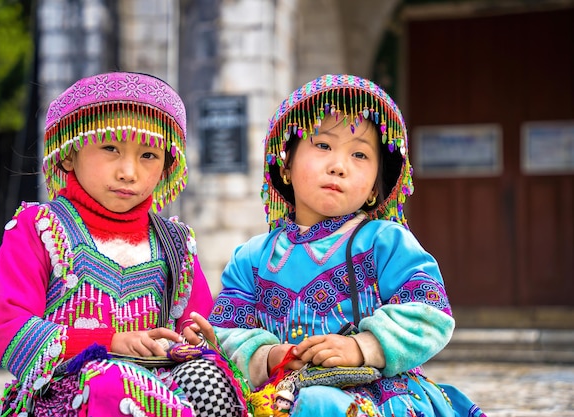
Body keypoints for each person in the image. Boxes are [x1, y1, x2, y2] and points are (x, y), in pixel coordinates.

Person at [208, 74, 486, 416]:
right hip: (278, 394)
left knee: (318, 404)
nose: (339, 166)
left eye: (359, 155)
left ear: (373, 187)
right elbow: (224, 333)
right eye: (323, 146)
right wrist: (270, 356)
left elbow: (430, 315)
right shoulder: (251, 258)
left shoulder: (385, 241)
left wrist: (362, 347)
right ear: (286, 165)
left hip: (377, 396)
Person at [0, 71, 247, 417]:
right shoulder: (39, 228)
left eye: (148, 155)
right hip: (65, 392)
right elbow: (4, 328)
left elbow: (195, 326)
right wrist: (108, 343)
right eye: (111, 147)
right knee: (112, 381)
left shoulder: (177, 245)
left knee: (212, 380)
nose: (128, 172)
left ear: (168, 165)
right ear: (67, 153)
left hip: (161, 383)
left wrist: (191, 341)